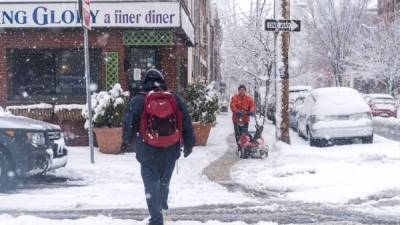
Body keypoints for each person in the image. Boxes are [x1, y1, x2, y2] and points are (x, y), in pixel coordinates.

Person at [122, 68, 196, 225]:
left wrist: (127, 140)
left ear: (144, 83)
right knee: (163, 185)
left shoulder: (138, 100)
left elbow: (128, 123)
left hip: (147, 151)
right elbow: (187, 122)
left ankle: (157, 220)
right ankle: (164, 213)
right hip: (170, 150)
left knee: (151, 187)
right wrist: (189, 144)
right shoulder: (174, 99)